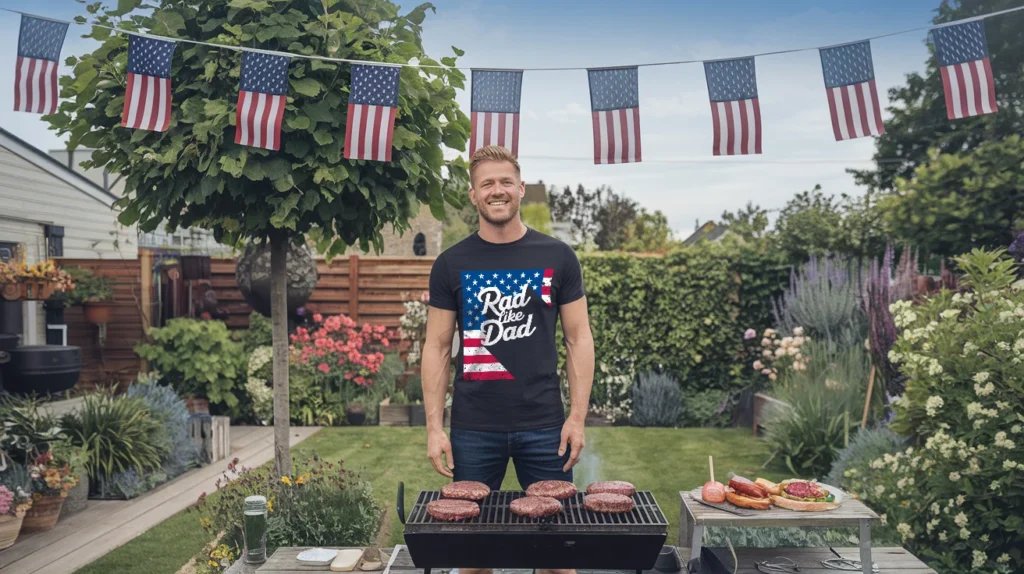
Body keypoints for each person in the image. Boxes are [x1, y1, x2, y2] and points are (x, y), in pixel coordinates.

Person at [421, 145, 595, 574]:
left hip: (545, 427)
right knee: (474, 558)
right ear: (472, 195)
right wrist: (433, 428)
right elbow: (437, 348)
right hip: (474, 428)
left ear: (520, 188)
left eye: (504, 182)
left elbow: (578, 338)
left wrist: (577, 417)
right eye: (487, 184)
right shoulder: (450, 263)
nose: (496, 190)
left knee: (557, 557)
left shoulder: (558, 257)